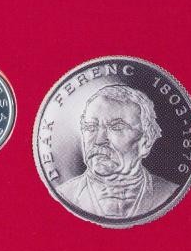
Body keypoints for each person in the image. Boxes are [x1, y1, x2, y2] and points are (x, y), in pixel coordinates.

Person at [58, 84, 178, 219]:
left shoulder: (169, 193)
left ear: (146, 141)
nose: (99, 140)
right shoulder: (65, 194)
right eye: (91, 127)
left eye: (116, 127)